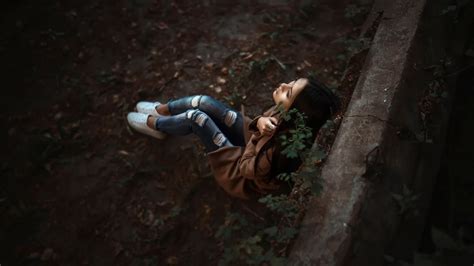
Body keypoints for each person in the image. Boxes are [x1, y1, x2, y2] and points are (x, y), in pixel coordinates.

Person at [127, 77, 339, 199]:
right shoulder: (286, 118)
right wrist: (259, 123)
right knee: (204, 102)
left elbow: (246, 168)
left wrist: (256, 134)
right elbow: (261, 124)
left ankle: (153, 125)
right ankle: (161, 110)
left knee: (196, 118)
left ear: (293, 114)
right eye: (292, 81)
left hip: (238, 169)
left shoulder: (278, 153)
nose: (284, 85)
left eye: (289, 92)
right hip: (255, 141)